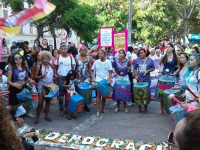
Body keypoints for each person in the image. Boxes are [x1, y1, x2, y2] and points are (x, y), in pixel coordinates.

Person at [54, 44, 75, 117]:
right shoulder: (58, 57)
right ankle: (61, 110)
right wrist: (55, 76)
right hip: (60, 78)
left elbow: (73, 68)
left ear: (67, 49)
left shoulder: (70, 56)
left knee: (68, 95)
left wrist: (73, 78)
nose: (63, 50)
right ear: (60, 50)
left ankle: (67, 109)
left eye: (65, 49)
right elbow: (55, 68)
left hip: (69, 79)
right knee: (61, 96)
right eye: (62, 49)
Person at [91, 49, 112, 118]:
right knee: (98, 95)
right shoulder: (96, 62)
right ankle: (97, 110)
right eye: (99, 53)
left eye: (101, 53)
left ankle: (102, 109)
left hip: (105, 80)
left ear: (104, 54)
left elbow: (110, 71)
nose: (100, 55)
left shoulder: (108, 62)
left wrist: (109, 79)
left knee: (104, 95)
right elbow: (91, 70)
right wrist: (93, 78)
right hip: (98, 80)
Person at [34, 51, 54, 124]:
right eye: (44, 59)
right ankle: (37, 118)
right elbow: (34, 76)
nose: (45, 60)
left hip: (49, 85)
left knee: (48, 102)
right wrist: (41, 76)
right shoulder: (39, 66)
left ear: (49, 59)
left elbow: (52, 74)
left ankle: (46, 116)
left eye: (47, 59)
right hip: (42, 85)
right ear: (41, 59)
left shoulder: (51, 66)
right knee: (40, 103)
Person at [133, 49, 155, 114]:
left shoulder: (150, 60)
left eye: (142, 53)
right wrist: (135, 75)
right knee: (139, 93)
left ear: (145, 53)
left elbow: (153, 68)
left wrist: (149, 71)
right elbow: (134, 68)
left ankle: (146, 108)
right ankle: (139, 108)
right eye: (140, 53)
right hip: (139, 79)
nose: (141, 54)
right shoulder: (137, 60)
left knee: (146, 93)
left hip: (147, 79)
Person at [75, 46, 92, 112]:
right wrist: (75, 77)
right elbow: (74, 67)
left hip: (86, 77)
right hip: (78, 77)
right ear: (79, 51)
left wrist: (91, 77)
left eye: (84, 50)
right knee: (78, 91)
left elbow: (89, 68)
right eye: (82, 50)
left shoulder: (88, 58)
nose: (83, 51)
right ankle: (79, 105)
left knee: (86, 91)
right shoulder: (76, 58)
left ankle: (85, 105)